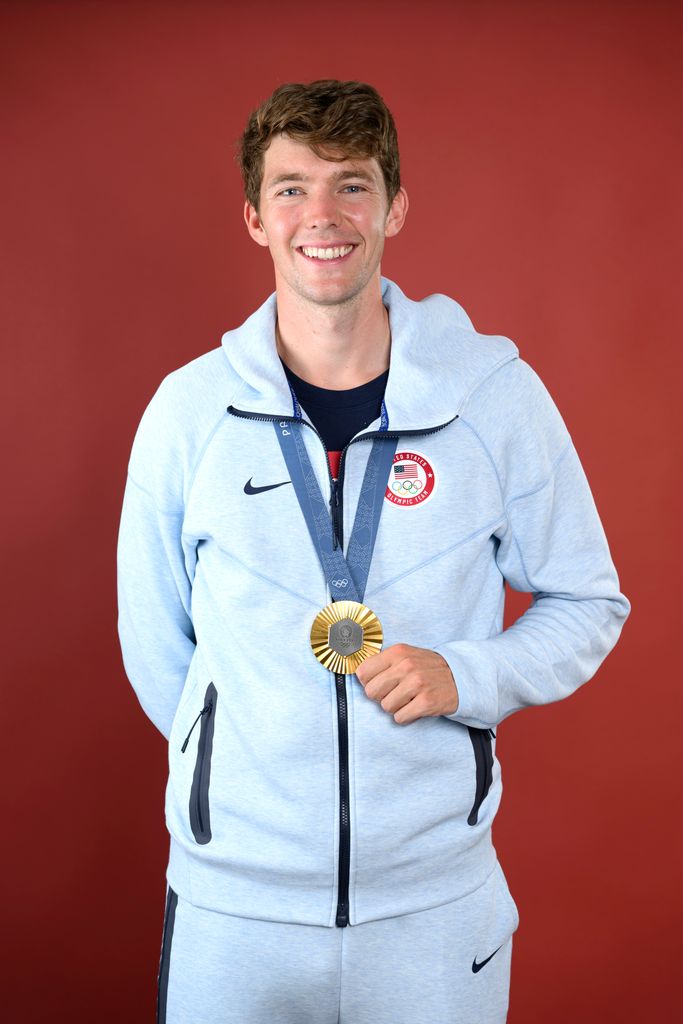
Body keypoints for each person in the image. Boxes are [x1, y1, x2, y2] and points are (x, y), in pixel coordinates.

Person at [116, 79, 631, 1024]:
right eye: (290, 188)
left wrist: (464, 675)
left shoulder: (494, 397)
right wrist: (234, 764)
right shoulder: (187, 413)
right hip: (236, 912)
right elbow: (160, 655)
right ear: (253, 217)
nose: (321, 215)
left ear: (394, 205)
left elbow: (588, 603)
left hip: (434, 910)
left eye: (350, 185)